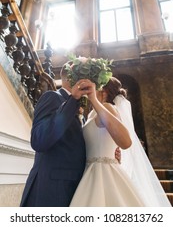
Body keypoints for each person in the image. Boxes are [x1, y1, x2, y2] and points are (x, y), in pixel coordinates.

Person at [71, 77, 170, 207]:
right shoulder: (93, 113)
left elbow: (126, 141)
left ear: (104, 91)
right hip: (90, 170)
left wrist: (94, 100)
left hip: (103, 172)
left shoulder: (107, 107)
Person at [20, 63, 95, 207]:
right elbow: (39, 140)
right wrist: (72, 100)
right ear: (74, 78)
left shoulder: (80, 110)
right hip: (51, 191)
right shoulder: (52, 97)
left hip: (76, 189)